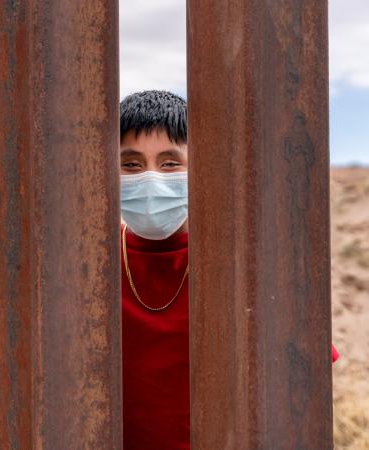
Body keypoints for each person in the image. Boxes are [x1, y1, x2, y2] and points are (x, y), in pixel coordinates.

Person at [118, 90, 339, 449]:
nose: (150, 180)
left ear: (199, 167)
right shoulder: (86, 266)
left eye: (170, 163)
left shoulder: (242, 262)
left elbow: (306, 373)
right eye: (131, 164)